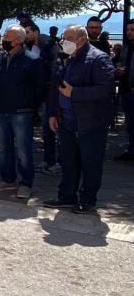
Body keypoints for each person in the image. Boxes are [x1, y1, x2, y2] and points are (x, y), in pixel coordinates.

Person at [44, 25, 115, 214]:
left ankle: (87, 199)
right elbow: (54, 87)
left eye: (67, 38)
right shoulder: (63, 58)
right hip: (66, 121)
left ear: (81, 40)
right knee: (68, 161)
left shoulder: (98, 59)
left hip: (90, 122)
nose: (63, 42)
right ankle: (66, 196)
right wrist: (52, 113)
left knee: (90, 163)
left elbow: (105, 89)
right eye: (62, 38)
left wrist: (74, 92)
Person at [0, 25, 42, 199]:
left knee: (23, 150)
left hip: (22, 111)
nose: (4, 39)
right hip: (3, 110)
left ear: (18, 40)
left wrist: (32, 107)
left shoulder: (32, 60)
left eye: (7, 36)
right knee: (5, 148)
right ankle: (8, 179)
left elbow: (40, 88)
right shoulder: (1, 58)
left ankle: (26, 183)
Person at [25, 23, 61, 175]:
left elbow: (53, 67)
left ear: (35, 31)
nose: (25, 35)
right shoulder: (32, 45)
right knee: (46, 129)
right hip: (42, 90)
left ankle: (54, 162)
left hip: (50, 90)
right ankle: (49, 159)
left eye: (27, 32)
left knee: (51, 127)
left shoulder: (46, 43)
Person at [114, 19, 134, 161]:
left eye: (132, 30)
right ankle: (132, 150)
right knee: (130, 123)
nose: (129, 33)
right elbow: (120, 62)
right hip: (126, 91)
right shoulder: (126, 47)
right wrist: (118, 70)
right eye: (127, 30)